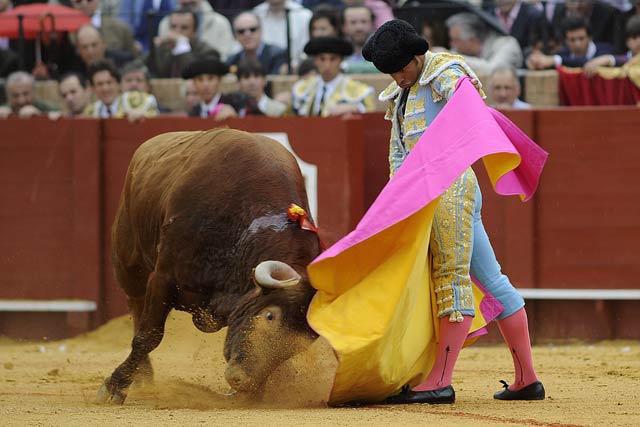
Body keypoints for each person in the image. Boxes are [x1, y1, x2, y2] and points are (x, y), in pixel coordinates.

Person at [361, 19, 545, 404]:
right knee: (492, 280)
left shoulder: (445, 71)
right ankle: (527, 379)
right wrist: (398, 199)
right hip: (424, 193)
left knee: (450, 277)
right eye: (390, 72)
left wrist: (459, 94)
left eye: (401, 68)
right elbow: (399, 152)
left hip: (450, 187)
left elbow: (470, 107)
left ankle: (440, 381)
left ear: (417, 56)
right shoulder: (402, 93)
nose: (397, 77)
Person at [292, 36, 375, 116]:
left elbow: (369, 114)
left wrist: (356, 108)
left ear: (341, 60)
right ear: (315, 61)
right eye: (322, 59)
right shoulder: (303, 88)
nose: (327, 65)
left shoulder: (359, 90)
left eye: (333, 59)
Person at [147, 9, 219, 78]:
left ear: (194, 32)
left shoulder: (207, 52)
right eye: (173, 27)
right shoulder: (161, 49)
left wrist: (182, 45)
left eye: (184, 28)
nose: (177, 31)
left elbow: (196, 74)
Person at [181, 56, 262, 119]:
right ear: (194, 83)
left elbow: (261, 123)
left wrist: (237, 119)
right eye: (200, 79)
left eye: (211, 78)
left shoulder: (239, 101)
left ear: (219, 80)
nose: (205, 84)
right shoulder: (194, 112)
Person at [444, 12, 524, 75]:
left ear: (472, 40)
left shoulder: (507, 45)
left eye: (455, 40)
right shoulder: (458, 50)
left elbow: (492, 71)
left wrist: (451, 57)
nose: (452, 45)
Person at [157, 0, 235, 60]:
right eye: (173, 27)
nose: (187, 1)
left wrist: (183, 43)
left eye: (184, 27)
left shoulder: (220, 23)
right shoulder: (165, 23)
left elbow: (224, 58)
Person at [527, 17, 615, 69]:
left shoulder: (606, 50)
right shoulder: (562, 54)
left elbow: (584, 63)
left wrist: (555, 60)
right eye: (572, 40)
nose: (577, 44)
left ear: (590, 37)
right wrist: (535, 61)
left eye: (581, 38)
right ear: (565, 41)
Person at [84, 59, 159, 121]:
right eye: (100, 84)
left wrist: (142, 114)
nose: (105, 88)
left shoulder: (136, 99)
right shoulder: (91, 111)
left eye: (109, 82)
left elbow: (154, 115)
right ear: (93, 88)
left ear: (118, 84)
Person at [253, 0, 313, 70]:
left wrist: (295, 66)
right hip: (260, 73)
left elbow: (308, 52)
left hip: (298, 73)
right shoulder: (254, 15)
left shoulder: (304, 15)